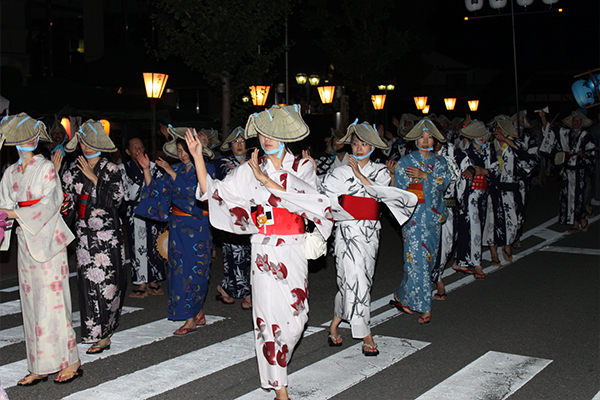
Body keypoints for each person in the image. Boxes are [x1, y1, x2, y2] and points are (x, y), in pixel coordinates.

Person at [188, 104, 333, 400]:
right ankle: (280, 388)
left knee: (297, 318)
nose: (266, 138)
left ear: (285, 136)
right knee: (268, 321)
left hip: (291, 248)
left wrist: (268, 181)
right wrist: (197, 159)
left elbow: (312, 202)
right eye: (263, 133)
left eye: (273, 133)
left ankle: (278, 367)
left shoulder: (301, 167)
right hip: (263, 250)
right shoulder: (249, 169)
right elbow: (216, 193)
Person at [320, 120, 417, 356]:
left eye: (364, 144)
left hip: (370, 232)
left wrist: (358, 175)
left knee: (356, 280)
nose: (359, 148)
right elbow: (324, 196)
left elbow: (379, 194)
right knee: (354, 279)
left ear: (372, 146)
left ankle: (334, 324)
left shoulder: (381, 171)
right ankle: (366, 333)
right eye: (355, 143)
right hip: (346, 231)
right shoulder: (338, 171)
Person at [0, 113, 81, 384]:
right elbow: (4, 204)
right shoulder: (10, 172)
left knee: (55, 303)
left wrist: (14, 215)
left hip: (48, 239)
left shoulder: (46, 167)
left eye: (31, 136)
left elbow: (52, 202)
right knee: (31, 304)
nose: (29, 141)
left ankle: (71, 360)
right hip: (26, 241)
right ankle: (39, 364)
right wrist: (5, 218)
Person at [136, 126, 215, 335]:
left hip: (198, 227)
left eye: (184, 150)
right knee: (179, 273)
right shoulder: (178, 169)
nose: (181, 155)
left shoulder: (207, 168)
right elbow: (157, 192)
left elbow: (195, 194)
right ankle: (191, 315)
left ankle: (195, 311)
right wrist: (146, 169)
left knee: (197, 272)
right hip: (177, 227)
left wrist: (170, 172)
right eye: (179, 151)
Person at [61, 119, 127, 354]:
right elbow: (65, 201)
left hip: (107, 234)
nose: (87, 147)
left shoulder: (110, 168)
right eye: (83, 142)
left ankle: (106, 332)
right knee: (87, 282)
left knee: (108, 282)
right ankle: (93, 331)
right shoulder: (72, 169)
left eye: (91, 142)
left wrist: (94, 179)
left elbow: (118, 199)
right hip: (83, 233)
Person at [389, 118, 451, 325]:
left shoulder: (441, 162)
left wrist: (425, 175)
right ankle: (425, 307)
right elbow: (399, 192)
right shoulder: (405, 163)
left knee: (427, 261)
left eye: (430, 137)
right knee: (417, 263)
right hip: (413, 219)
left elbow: (444, 184)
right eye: (422, 137)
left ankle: (402, 295)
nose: (425, 141)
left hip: (433, 218)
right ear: (415, 139)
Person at [119, 137, 166, 298]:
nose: (138, 150)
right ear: (128, 151)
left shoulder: (154, 167)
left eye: (140, 147)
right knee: (136, 245)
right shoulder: (122, 169)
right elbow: (126, 193)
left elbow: (159, 189)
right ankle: (141, 282)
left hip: (152, 210)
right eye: (134, 148)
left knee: (154, 243)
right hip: (135, 211)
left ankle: (153, 279)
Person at [483, 116, 533, 264]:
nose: (498, 131)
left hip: (511, 187)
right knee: (492, 221)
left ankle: (508, 245)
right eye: (496, 128)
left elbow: (529, 161)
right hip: (494, 188)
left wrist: (507, 142)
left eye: (501, 128)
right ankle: (493, 253)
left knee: (514, 220)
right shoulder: (489, 146)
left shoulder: (515, 144)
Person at [214, 126, 252, 308]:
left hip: (252, 213)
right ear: (230, 145)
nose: (239, 145)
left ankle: (225, 287)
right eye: (235, 142)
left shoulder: (255, 161)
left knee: (251, 254)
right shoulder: (222, 163)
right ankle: (246, 294)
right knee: (235, 253)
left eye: (242, 141)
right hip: (232, 214)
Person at [539, 110, 595, 232]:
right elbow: (550, 131)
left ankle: (583, 218)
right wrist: (543, 117)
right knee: (569, 198)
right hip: (568, 172)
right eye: (574, 120)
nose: (576, 122)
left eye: (578, 120)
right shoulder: (565, 134)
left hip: (580, 172)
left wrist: (583, 155)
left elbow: (591, 153)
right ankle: (575, 223)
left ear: (582, 122)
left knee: (579, 197)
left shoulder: (586, 136)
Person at [452, 120, 493, 278]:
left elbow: (495, 171)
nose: (480, 137)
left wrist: (484, 171)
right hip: (470, 195)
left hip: (484, 194)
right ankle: (477, 263)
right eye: (476, 134)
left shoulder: (488, 153)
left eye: (482, 134)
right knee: (473, 228)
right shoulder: (466, 154)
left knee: (474, 228)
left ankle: (461, 260)